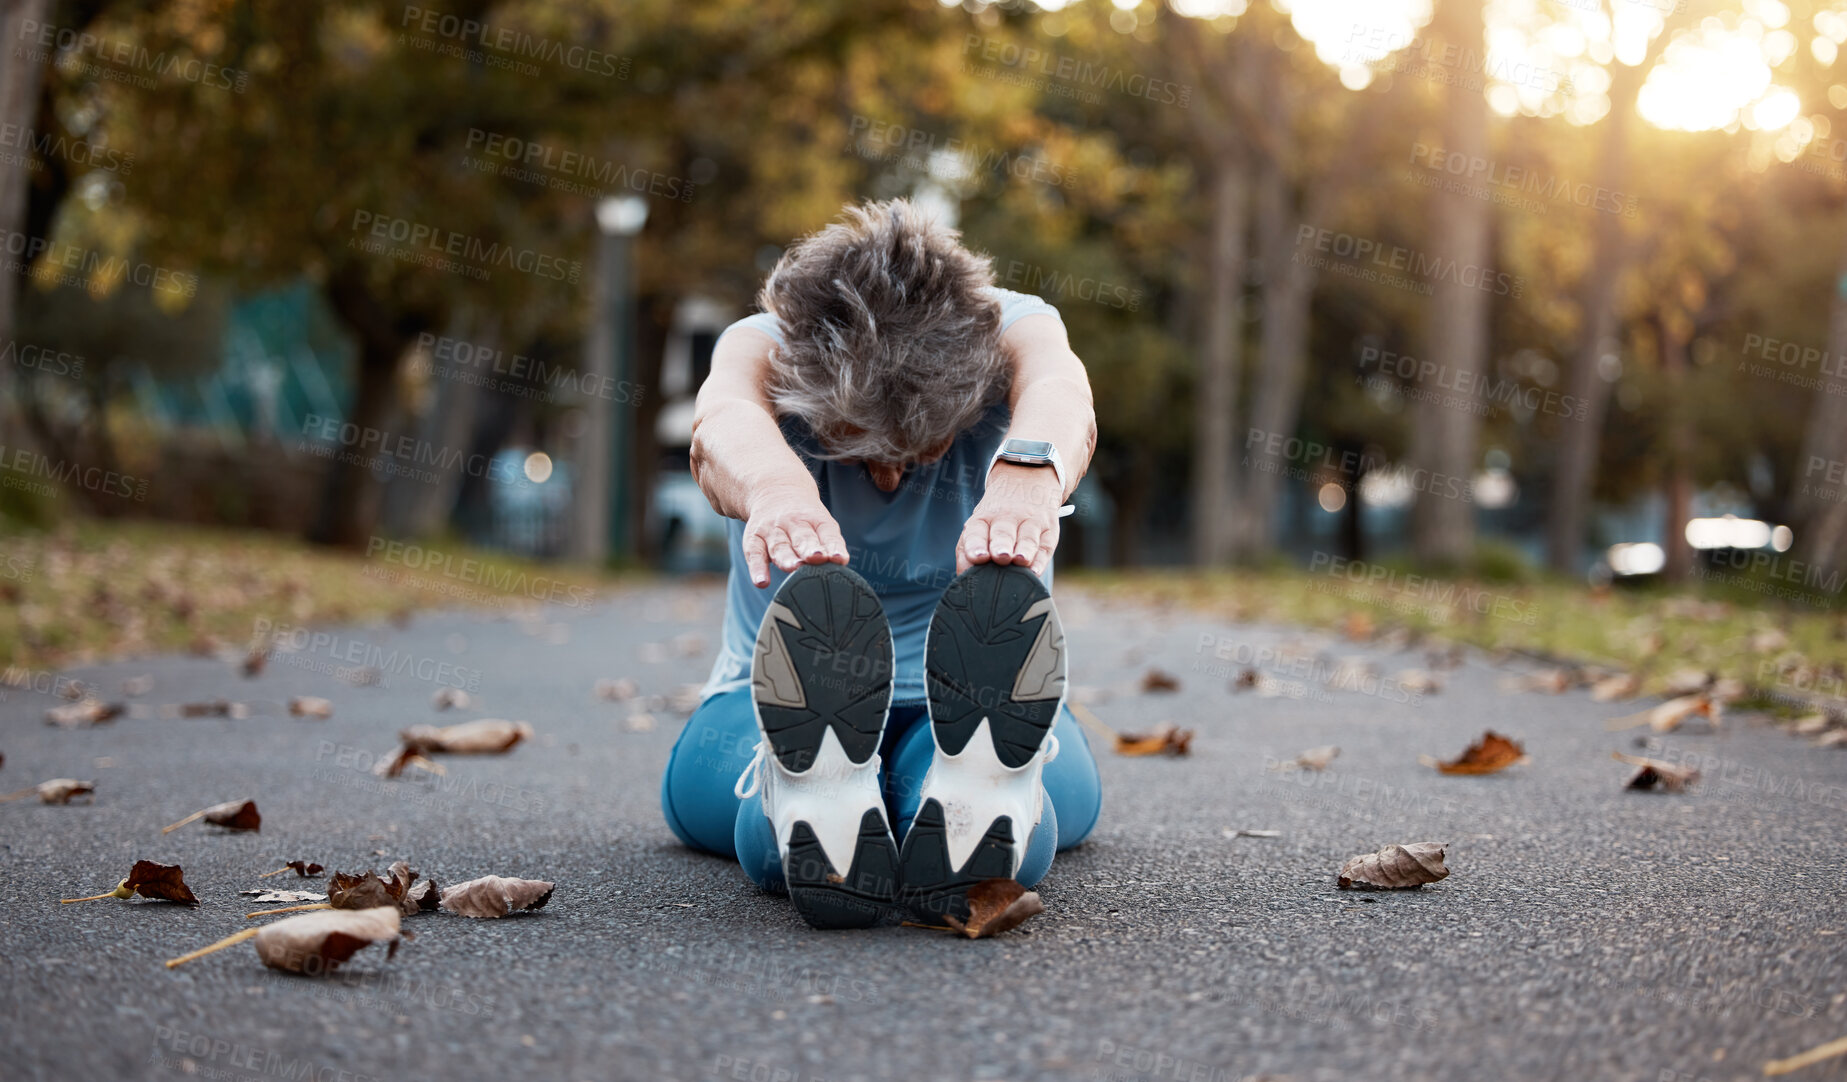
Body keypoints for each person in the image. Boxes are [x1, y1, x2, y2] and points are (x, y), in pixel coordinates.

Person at [658, 198, 1102, 929]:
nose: (890, 477)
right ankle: (867, 794)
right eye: (854, 446)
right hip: (767, 695)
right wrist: (775, 490)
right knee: (1044, 813)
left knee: (1009, 792)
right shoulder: (764, 343)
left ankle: (866, 798)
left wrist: (1025, 476)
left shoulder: (1014, 327)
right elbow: (720, 421)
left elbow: (1062, 391)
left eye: (923, 451)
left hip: (963, 690)